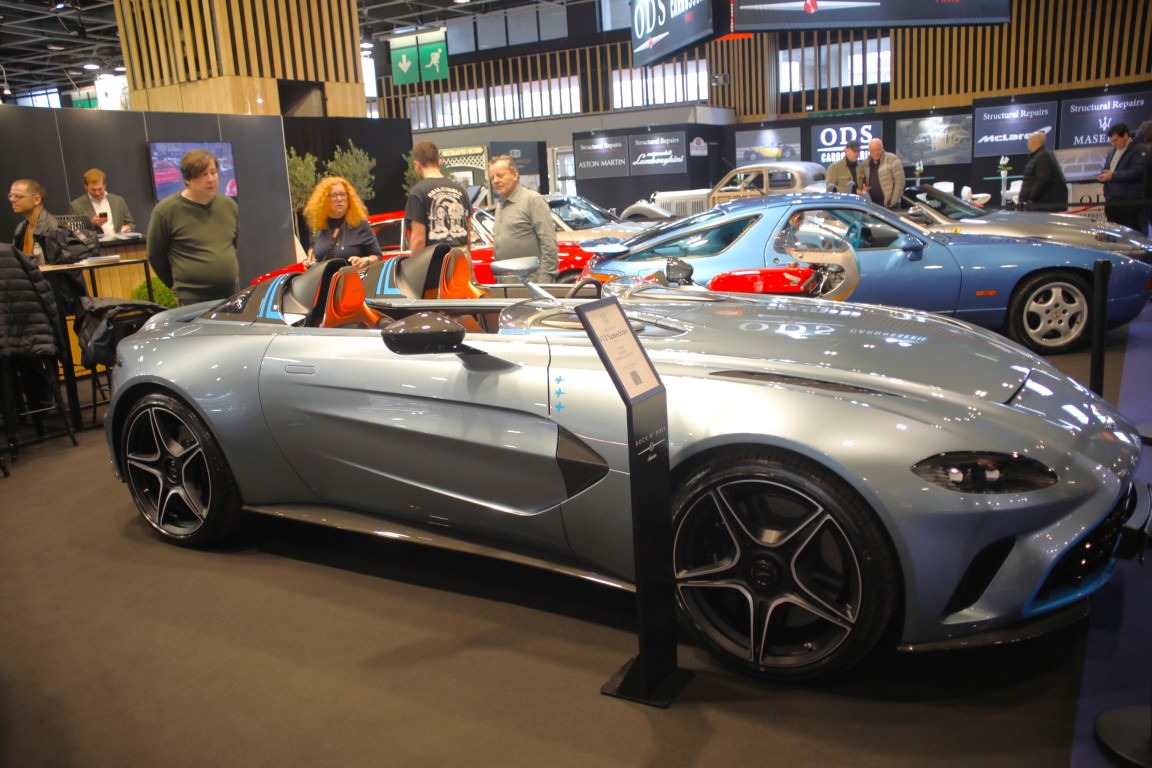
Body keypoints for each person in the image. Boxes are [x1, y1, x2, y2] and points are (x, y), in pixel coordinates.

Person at [146, 149, 240, 305]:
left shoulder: (228, 206)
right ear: (187, 179)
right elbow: (155, 255)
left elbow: (232, 244)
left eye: (213, 172)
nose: (210, 179)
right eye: (203, 174)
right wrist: (177, 285)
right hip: (192, 300)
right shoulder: (166, 211)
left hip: (230, 295)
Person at [10, 178, 88, 311]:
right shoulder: (21, 228)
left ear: (36, 199)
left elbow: (65, 275)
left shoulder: (53, 229)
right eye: (11, 196)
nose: (13, 200)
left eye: (18, 196)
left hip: (57, 299)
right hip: (33, 294)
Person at [488, 154, 558, 282]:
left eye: (500, 175)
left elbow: (549, 245)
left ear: (515, 175)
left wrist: (545, 282)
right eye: (492, 177)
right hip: (507, 284)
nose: (495, 181)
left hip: (532, 283)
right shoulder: (500, 205)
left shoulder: (533, 200)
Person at [302, 176, 382, 270]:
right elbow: (313, 250)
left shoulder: (360, 224)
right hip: (324, 279)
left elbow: (377, 256)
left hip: (353, 277)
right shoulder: (317, 226)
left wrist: (365, 261)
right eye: (334, 195)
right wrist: (309, 262)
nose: (339, 198)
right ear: (324, 200)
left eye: (343, 194)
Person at [405, 141, 471, 253]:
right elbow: (468, 235)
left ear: (417, 165)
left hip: (435, 259)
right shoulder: (461, 190)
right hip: (462, 257)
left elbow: (418, 241)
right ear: (439, 162)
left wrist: (415, 262)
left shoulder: (418, 193)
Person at [1096, 122, 1149, 231]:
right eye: (1111, 141)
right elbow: (1108, 170)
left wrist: (1113, 175)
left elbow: (1137, 171)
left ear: (1125, 136)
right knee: (1113, 232)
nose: (1113, 144)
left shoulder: (1139, 149)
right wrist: (1104, 175)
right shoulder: (1112, 152)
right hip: (1111, 201)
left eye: (1115, 140)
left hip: (1129, 202)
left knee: (1131, 232)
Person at [69, 168, 135, 235]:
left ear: (104, 185)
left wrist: (128, 227)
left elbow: (131, 223)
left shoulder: (118, 201)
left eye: (100, 189)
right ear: (86, 186)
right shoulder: (76, 206)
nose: (97, 193)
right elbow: (74, 231)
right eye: (93, 190)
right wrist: (91, 224)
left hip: (118, 241)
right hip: (95, 241)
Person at [1017, 132, 1069, 211]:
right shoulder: (1037, 156)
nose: (1027, 144)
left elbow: (1042, 180)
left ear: (1033, 142)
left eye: (1029, 141)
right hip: (1036, 205)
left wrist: (1030, 200)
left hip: (1040, 206)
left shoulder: (1043, 156)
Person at [858, 138, 905, 209]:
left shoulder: (892, 159)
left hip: (890, 205)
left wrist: (892, 201)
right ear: (869, 151)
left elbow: (900, 182)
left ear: (882, 148)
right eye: (873, 150)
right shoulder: (865, 163)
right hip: (872, 205)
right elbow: (863, 182)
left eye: (878, 150)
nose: (876, 153)